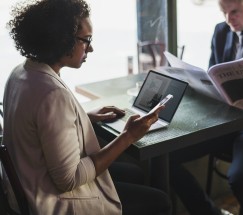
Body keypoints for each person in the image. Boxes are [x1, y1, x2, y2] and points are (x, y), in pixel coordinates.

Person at [2, 0, 171, 214]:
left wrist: (82, 117)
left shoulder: (21, 73)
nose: (90, 47)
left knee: (134, 174)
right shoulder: (52, 94)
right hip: (51, 202)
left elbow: (40, 127)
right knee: (160, 202)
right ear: (61, 40)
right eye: (86, 40)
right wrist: (128, 136)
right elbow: (69, 179)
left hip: (28, 185)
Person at [170, 0, 243, 215]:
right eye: (223, 12)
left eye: (234, 12)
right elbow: (214, 74)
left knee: (240, 178)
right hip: (224, 120)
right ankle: (207, 211)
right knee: (165, 159)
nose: (228, 19)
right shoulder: (221, 31)